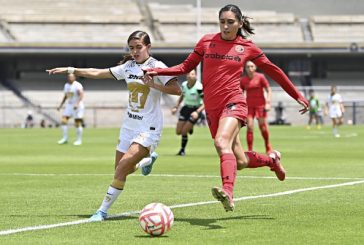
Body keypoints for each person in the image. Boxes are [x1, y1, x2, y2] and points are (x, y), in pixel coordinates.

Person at [144, 4, 308, 212]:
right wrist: (156, 71)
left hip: (234, 102)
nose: (225, 26)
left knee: (222, 142)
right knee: (239, 161)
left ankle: (228, 192)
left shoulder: (248, 47)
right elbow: (185, 68)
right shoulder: (206, 41)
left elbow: (274, 71)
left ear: (239, 24)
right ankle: (272, 161)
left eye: (230, 22)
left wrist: (297, 95)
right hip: (213, 109)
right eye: (222, 22)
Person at [47, 30, 181, 221]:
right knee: (120, 169)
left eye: (139, 47)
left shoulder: (158, 66)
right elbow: (97, 72)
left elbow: (177, 90)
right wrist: (71, 70)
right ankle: (148, 160)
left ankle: (101, 211)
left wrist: (154, 84)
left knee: (122, 168)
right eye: (131, 48)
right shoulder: (128, 67)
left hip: (148, 128)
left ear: (148, 47)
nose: (135, 51)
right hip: (129, 125)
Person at [240, 61, 272, 153]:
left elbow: (268, 89)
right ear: (245, 69)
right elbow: (240, 93)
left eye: (251, 66)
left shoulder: (260, 77)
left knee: (263, 127)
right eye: (247, 67)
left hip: (261, 106)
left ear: (255, 67)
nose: (249, 69)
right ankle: (250, 150)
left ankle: (267, 145)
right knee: (249, 126)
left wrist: (268, 102)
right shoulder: (243, 80)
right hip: (249, 106)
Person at [171, 69, 204, 156]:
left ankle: (182, 150)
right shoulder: (184, 85)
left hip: (195, 109)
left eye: (192, 74)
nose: (190, 75)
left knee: (184, 132)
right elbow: (182, 96)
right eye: (189, 74)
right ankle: (190, 127)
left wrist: (197, 112)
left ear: (195, 76)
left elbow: (206, 102)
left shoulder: (199, 87)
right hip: (186, 108)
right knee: (178, 132)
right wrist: (176, 107)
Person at [56, 73, 85, 146]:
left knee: (77, 123)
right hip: (69, 105)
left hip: (77, 106)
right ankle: (65, 138)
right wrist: (60, 105)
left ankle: (79, 140)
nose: (70, 78)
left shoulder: (77, 85)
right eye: (69, 77)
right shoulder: (66, 85)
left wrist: (77, 104)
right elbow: (66, 96)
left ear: (74, 77)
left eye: (71, 77)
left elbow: (81, 94)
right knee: (63, 121)